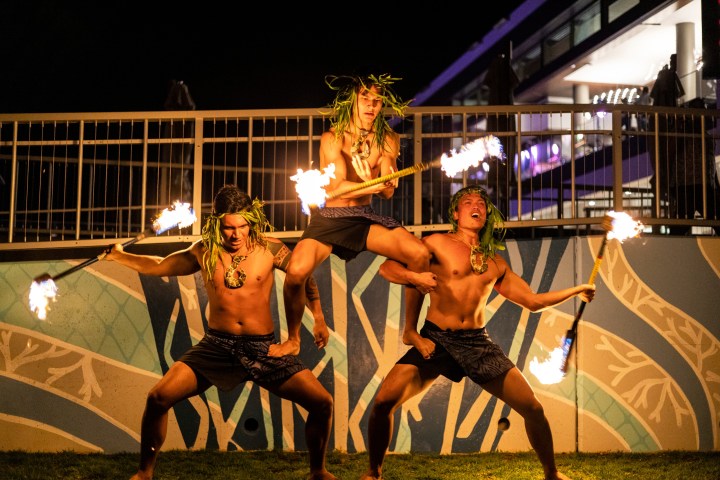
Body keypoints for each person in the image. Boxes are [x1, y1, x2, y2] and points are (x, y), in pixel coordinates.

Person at [360, 185, 596, 480]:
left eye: (482, 203)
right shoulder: (435, 243)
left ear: (486, 215)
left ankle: (551, 473)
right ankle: (374, 473)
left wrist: (578, 290)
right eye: (468, 202)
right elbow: (387, 267)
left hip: (476, 343)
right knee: (383, 402)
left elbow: (533, 302)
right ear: (456, 213)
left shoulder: (496, 263)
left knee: (533, 408)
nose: (476, 206)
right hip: (436, 339)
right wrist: (413, 276)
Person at [105, 185, 337, 480]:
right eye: (228, 227)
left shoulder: (270, 248)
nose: (236, 234)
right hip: (217, 347)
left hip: (263, 348)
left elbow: (303, 277)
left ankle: (318, 472)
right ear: (217, 224)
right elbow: (160, 265)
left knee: (322, 402)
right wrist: (119, 256)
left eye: (241, 226)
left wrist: (318, 317)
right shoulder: (204, 250)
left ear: (250, 222)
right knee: (158, 398)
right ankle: (144, 473)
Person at [280, 74, 430, 356]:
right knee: (296, 272)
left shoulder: (388, 139)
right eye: (365, 99)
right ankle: (293, 338)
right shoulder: (332, 137)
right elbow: (335, 188)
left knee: (419, 255)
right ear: (352, 101)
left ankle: (410, 330)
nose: (371, 106)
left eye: (377, 101)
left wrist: (387, 181)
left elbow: (387, 188)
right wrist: (369, 183)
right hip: (331, 218)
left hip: (363, 217)